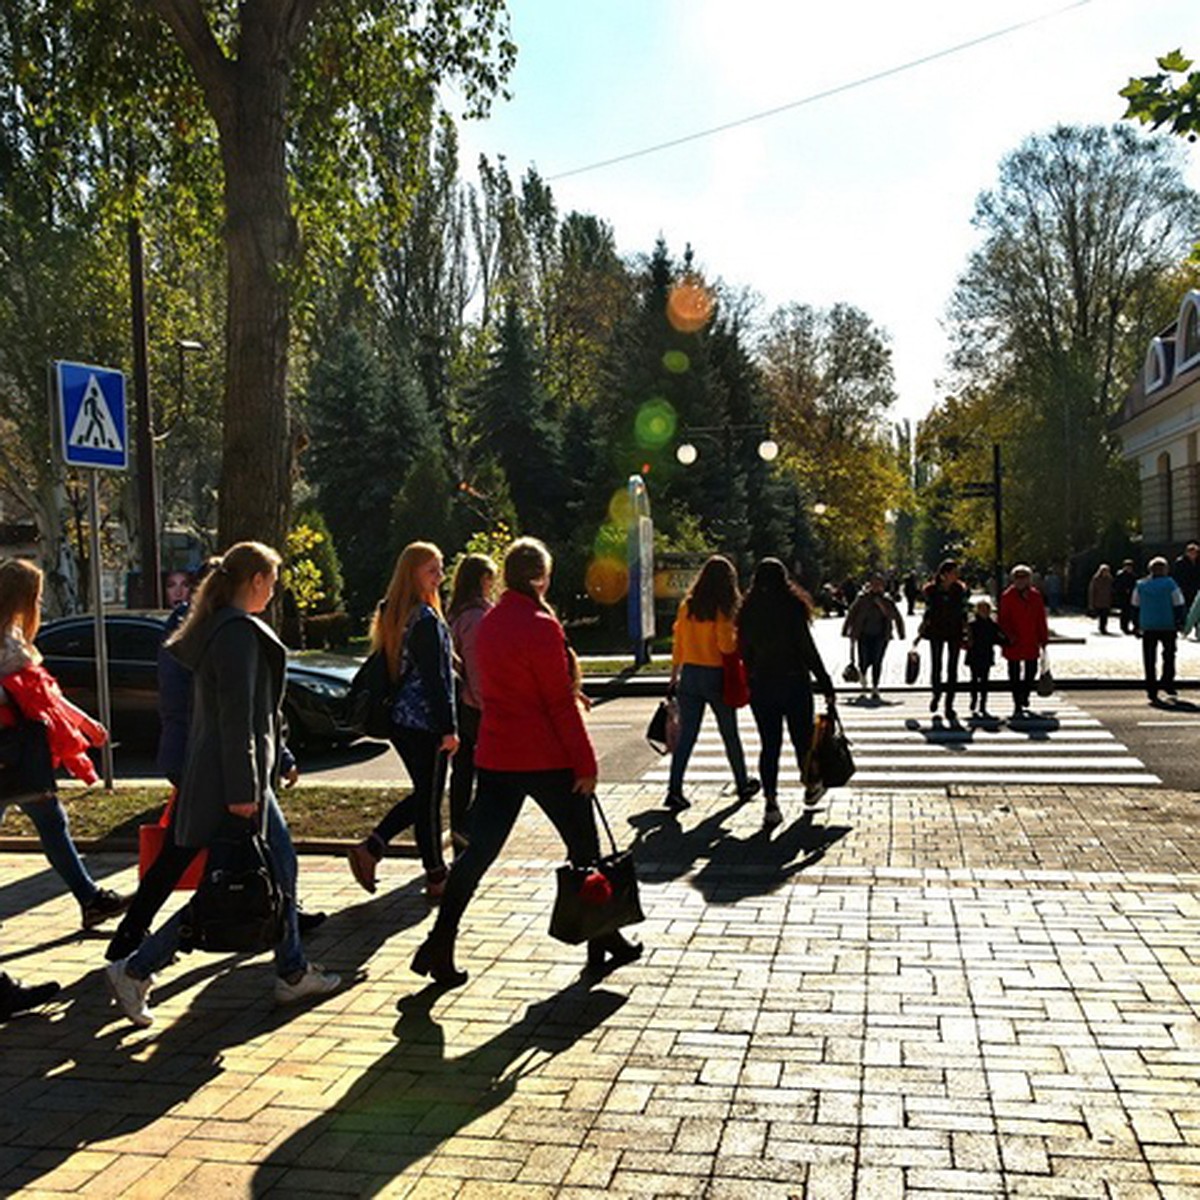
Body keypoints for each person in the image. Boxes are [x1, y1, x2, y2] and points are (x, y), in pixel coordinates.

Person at [105, 542, 340, 1027]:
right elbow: (239, 722)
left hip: (239, 779)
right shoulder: (235, 634)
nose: (274, 591)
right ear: (254, 581)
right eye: (272, 581)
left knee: (275, 872)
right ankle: (138, 967)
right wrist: (242, 793)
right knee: (237, 885)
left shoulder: (224, 628)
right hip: (237, 783)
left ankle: (291, 969)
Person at [410, 537, 641, 986]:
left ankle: (440, 942)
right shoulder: (540, 624)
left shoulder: (490, 624)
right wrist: (585, 763)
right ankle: (601, 939)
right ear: (539, 578)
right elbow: (557, 704)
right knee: (585, 849)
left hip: (498, 756)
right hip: (547, 756)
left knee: (476, 856)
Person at [0, 558, 129, 930]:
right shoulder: (8, 640)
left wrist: (83, 722)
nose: (39, 605)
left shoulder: (11, 637)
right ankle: (90, 899)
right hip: (13, 751)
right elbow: (36, 695)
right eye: (36, 597)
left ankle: (90, 898)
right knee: (51, 820)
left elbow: (42, 693)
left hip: (16, 751)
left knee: (52, 820)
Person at [347, 542, 457, 900]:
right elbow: (434, 679)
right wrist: (448, 728)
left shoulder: (399, 612)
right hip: (424, 722)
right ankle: (436, 876)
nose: (440, 576)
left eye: (441, 568)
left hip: (402, 720)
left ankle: (373, 849)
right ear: (412, 573)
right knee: (428, 801)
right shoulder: (424, 618)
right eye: (432, 570)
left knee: (426, 796)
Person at [737, 558, 835, 829]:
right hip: (794, 683)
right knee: (802, 740)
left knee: (770, 745)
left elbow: (744, 652)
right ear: (784, 579)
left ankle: (771, 803)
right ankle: (811, 786)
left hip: (763, 685)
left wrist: (754, 672)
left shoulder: (747, 610)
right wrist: (825, 682)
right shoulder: (793, 607)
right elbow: (807, 647)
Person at [665, 555, 759, 812]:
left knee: (687, 736)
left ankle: (674, 790)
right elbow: (725, 644)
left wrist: (674, 675)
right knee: (729, 733)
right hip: (716, 675)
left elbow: (679, 643)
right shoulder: (722, 608)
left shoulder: (688, 606)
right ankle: (742, 782)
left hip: (690, 676)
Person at [446, 553, 497, 858]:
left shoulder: (455, 613)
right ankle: (467, 830)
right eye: (491, 578)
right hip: (476, 707)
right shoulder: (477, 618)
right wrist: (486, 705)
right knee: (488, 772)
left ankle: (459, 833)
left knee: (462, 773)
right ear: (482, 580)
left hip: (461, 705)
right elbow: (478, 668)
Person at [918, 559, 968, 720]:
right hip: (936, 630)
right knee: (936, 664)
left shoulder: (959, 589)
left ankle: (949, 705)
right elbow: (929, 610)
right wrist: (922, 626)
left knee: (952, 667)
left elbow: (963, 610)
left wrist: (967, 628)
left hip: (954, 630)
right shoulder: (932, 590)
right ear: (944, 574)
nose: (956, 575)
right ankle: (936, 694)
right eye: (954, 572)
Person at [841, 574, 905, 701]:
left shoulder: (887, 600)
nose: (876, 587)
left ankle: (875, 687)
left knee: (877, 661)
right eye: (874, 584)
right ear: (870, 585)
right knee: (863, 660)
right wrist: (845, 630)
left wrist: (901, 633)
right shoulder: (862, 598)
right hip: (863, 634)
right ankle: (863, 676)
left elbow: (895, 616)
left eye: (879, 584)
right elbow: (851, 613)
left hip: (881, 635)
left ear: (883, 586)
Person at [998, 564, 1049, 720]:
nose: (1021, 580)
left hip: (1030, 638)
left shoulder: (1035, 596)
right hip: (1014, 640)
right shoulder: (1007, 596)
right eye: (1018, 577)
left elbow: (1041, 617)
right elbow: (1003, 619)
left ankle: (1025, 693)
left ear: (1029, 579)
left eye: (1024, 577)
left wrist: (1043, 637)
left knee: (1030, 670)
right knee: (1014, 672)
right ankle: (1017, 701)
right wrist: (1008, 635)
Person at [1133, 556, 1185, 704]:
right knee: (1169, 654)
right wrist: (1180, 621)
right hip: (1168, 625)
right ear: (1165, 570)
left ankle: (1151, 687)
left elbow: (1135, 605)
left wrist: (1136, 625)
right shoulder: (1170, 584)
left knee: (1149, 657)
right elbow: (1178, 603)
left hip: (1148, 625)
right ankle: (1167, 682)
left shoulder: (1141, 585)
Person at [964, 600, 1006, 718]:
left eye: (986, 610)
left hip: (986, 655)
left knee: (984, 681)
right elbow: (966, 637)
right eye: (982, 610)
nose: (984, 612)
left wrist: (1007, 641)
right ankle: (974, 699)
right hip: (974, 654)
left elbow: (997, 638)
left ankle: (982, 703)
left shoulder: (992, 625)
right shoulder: (972, 624)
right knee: (973, 680)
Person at [1172, 542, 1200, 611]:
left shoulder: (1198, 562)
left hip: (1196, 588)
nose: (1193, 554)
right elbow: (1177, 576)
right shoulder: (1180, 562)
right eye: (1191, 552)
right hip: (1185, 589)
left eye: (1195, 552)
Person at [1088, 564, 1114, 635]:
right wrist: (1091, 602)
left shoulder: (1109, 579)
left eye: (1107, 571)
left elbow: (1111, 590)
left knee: (1104, 616)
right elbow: (1092, 590)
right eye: (1104, 571)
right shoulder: (1096, 579)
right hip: (1098, 600)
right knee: (1099, 614)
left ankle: (1103, 628)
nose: (1105, 573)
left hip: (1106, 601)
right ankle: (1101, 626)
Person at [1113, 560, 1138, 635]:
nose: (1129, 568)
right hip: (1123, 596)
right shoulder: (1120, 575)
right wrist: (1123, 590)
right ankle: (1124, 626)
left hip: (1131, 596)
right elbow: (1116, 586)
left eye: (1130, 567)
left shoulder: (1133, 576)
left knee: (1132, 612)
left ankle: (1134, 627)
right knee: (1124, 612)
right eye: (1127, 566)